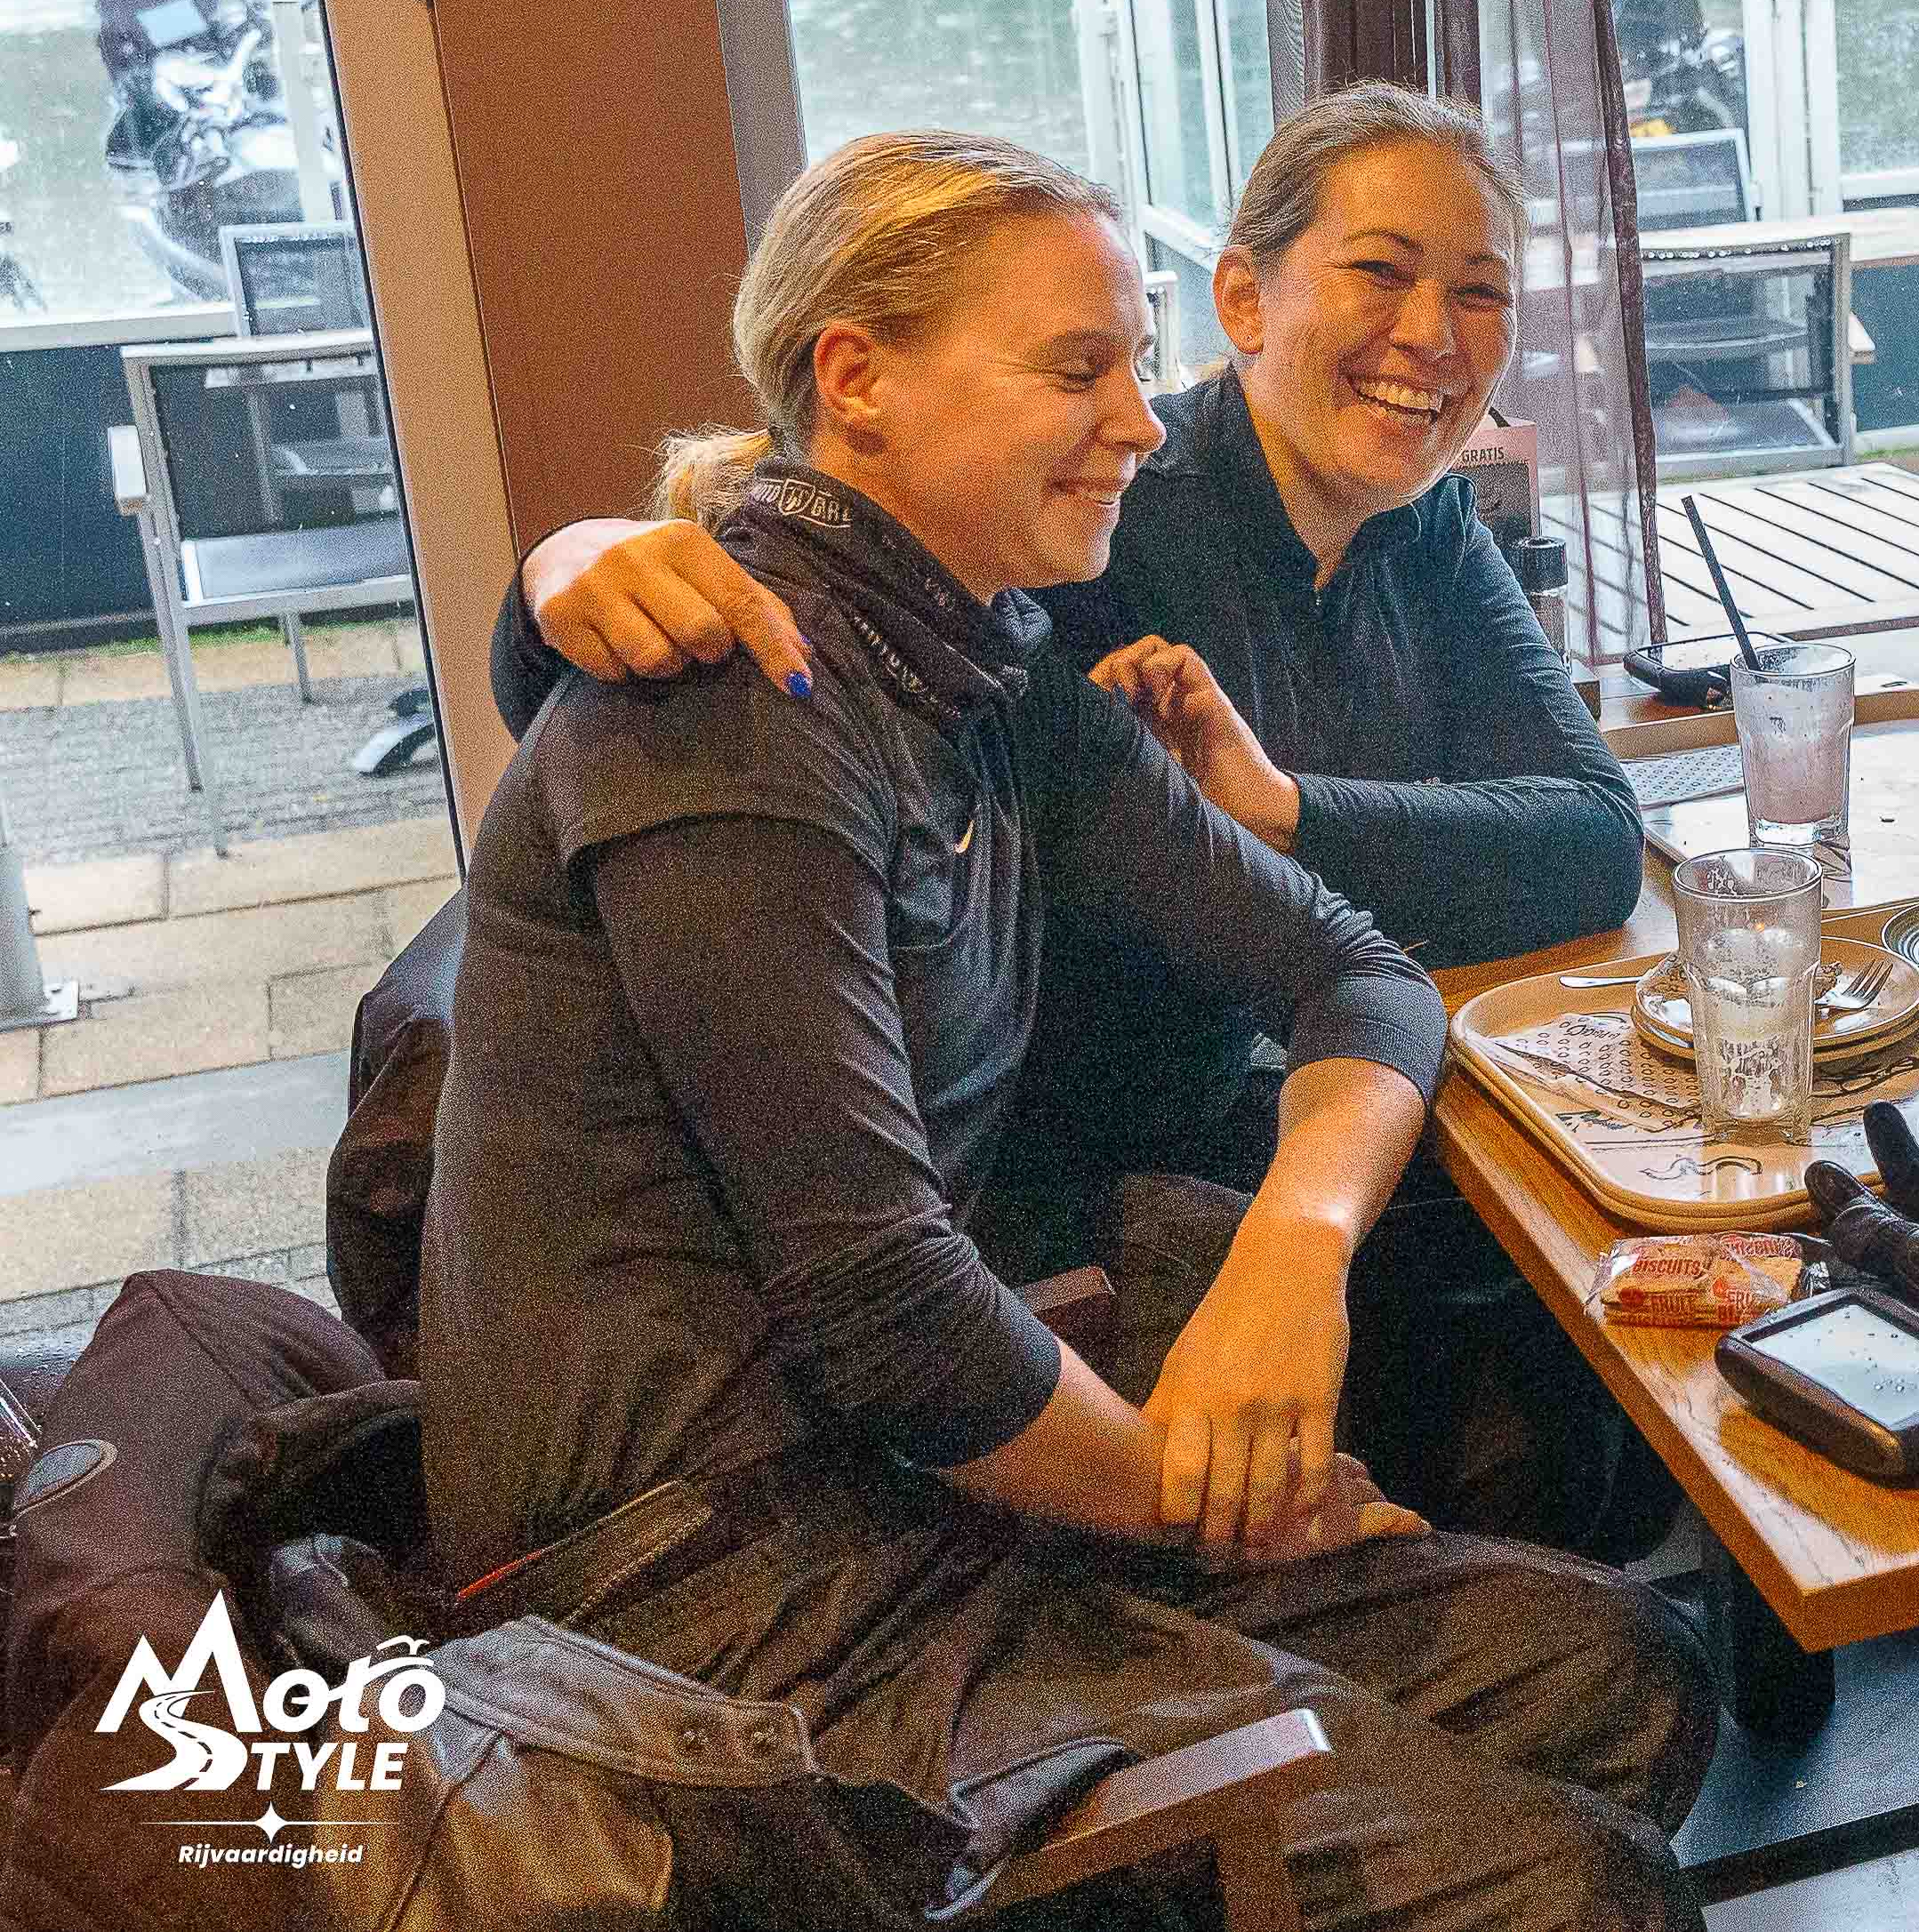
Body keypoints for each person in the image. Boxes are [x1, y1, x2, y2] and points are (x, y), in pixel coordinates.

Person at [427, 131, 1710, 1932]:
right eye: (1075, 369)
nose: (1134, 420)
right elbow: (887, 1313)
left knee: (1627, 1669)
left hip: (917, 1480)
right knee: (1574, 1890)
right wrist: (1209, 1496)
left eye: (1132, 363)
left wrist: (1299, 1243)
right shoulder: (734, 703)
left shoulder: (992, 675)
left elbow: (1357, 971)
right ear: (856, 379)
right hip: (714, 1592)